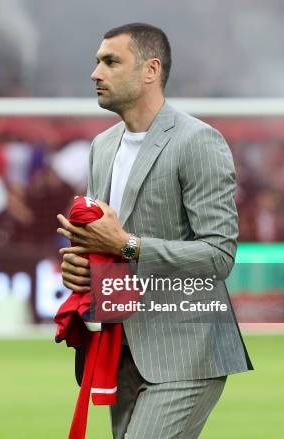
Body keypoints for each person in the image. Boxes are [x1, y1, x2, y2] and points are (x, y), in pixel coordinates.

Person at [56, 23, 253, 439]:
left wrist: (125, 245)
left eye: (111, 61)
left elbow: (219, 256)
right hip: (120, 349)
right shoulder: (103, 146)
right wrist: (82, 271)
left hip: (186, 351)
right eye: (97, 61)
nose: (96, 72)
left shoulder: (199, 141)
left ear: (150, 70)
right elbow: (104, 252)